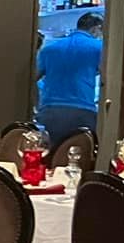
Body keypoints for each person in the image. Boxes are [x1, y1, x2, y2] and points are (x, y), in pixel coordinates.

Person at [35, 12, 103, 147]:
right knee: (79, 154)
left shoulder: (49, 49)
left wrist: (38, 105)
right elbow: (106, 75)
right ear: (97, 28)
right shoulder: (99, 47)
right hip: (82, 111)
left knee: (49, 154)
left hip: (49, 110)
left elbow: (33, 77)